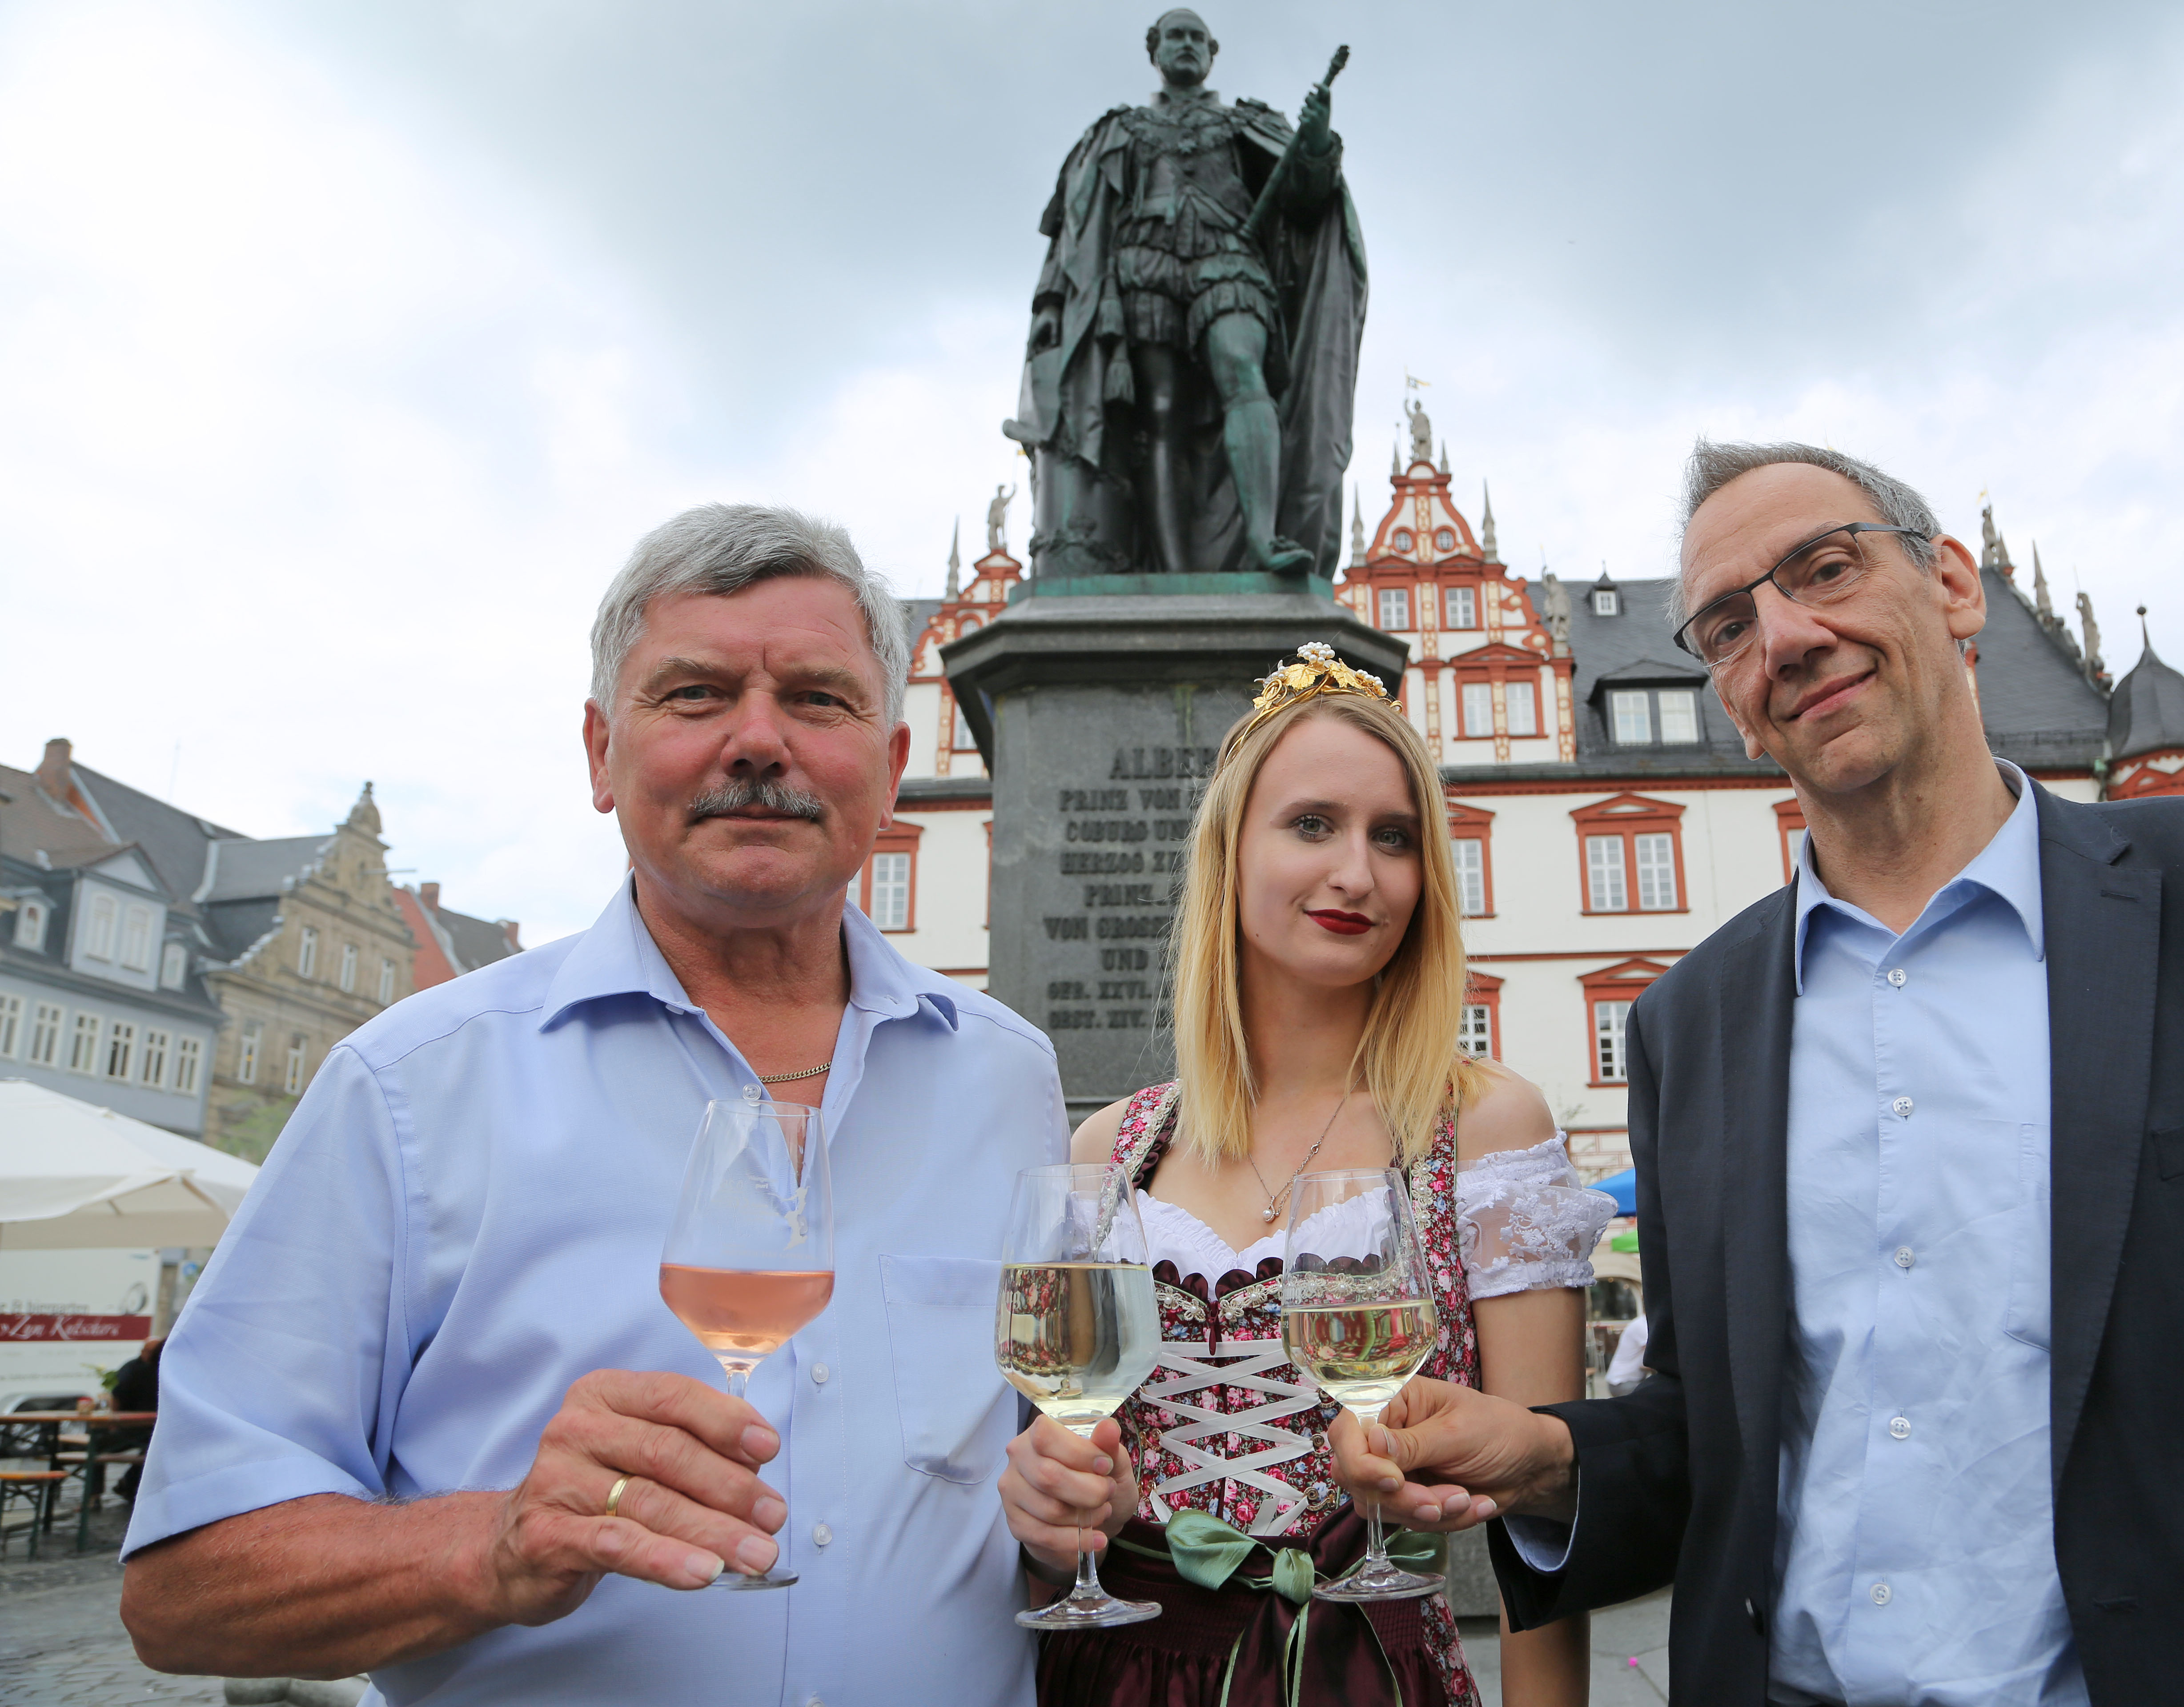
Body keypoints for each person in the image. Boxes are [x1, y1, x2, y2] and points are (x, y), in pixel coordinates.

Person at [1332, 443, 2184, 1706]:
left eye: (1826, 567)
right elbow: (1730, 1430)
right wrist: (1547, 1459)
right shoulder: (1690, 1025)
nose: (1788, 636)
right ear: (1729, 697)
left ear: (1957, 588)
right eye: (1727, 625)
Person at [120, 505, 1068, 1703]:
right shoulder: (410, 1088)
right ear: (598, 754)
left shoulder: (1004, 1076)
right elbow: (182, 1590)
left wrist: (1077, 1497)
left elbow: (1045, 1454)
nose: (758, 741)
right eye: (694, 694)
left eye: (820, 700)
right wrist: (496, 1542)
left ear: (886, 773)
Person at [997, 644, 1614, 1705]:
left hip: (1369, 1674)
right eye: (1311, 823)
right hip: (1117, 1677)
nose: (1356, 874)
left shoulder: (1480, 1126)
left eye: (1394, 838)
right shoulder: (1111, 1148)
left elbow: (1538, 1522)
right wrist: (1054, 1519)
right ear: (1230, 851)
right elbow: (1056, 1504)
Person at [1004, 9, 1365, 578]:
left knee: (1243, 373)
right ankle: (1173, 570)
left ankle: (1266, 539)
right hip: (1143, 267)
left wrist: (1317, 144)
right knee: (1163, 416)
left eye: (1198, 38)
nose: (1187, 46)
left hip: (1230, 259)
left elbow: (1306, 202)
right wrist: (1052, 306)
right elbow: (1076, 234)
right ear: (1155, 50)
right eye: (1176, 36)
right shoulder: (1121, 129)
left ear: (1212, 52)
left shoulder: (1246, 122)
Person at [108, 1336, 162, 1502]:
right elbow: (117, 1395)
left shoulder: (143, 1371)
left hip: (147, 1429)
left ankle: (129, 1485)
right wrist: (114, 1421)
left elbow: (117, 1394)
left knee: (152, 1451)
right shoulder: (133, 1369)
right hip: (134, 1427)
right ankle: (96, 1494)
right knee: (96, 1447)